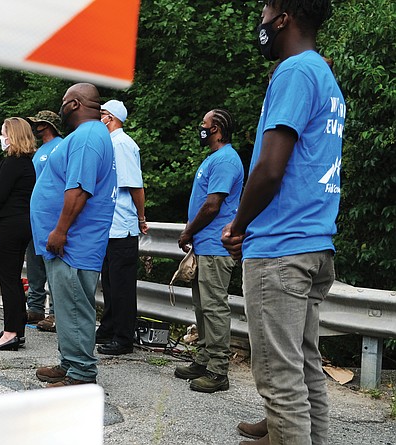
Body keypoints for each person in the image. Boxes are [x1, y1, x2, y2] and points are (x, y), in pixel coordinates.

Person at [221, 1, 345, 443]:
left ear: (284, 17)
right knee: (305, 368)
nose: (261, 19)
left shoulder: (295, 72)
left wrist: (238, 225)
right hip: (313, 242)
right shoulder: (324, 77)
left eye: (265, 9)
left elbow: (271, 168)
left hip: (281, 248)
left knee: (280, 380)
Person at [32, 83, 116, 387]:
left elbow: (79, 189)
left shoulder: (88, 136)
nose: (61, 107)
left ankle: (81, 373)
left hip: (73, 242)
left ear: (76, 104)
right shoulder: (86, 136)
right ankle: (69, 362)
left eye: (64, 102)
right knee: (67, 307)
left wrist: (60, 230)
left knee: (75, 307)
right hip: (69, 243)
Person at [172, 109, 243, 393]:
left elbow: (213, 204)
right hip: (205, 246)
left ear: (216, 129)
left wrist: (188, 230)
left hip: (216, 246)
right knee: (203, 307)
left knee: (214, 308)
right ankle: (203, 359)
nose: (200, 127)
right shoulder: (213, 159)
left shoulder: (226, 159)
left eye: (204, 124)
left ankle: (218, 370)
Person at [95, 100, 148, 356]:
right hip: (110, 226)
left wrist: (141, 217)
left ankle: (123, 338)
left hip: (123, 225)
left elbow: (135, 185)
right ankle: (108, 328)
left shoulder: (123, 145)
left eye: (103, 115)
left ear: (111, 118)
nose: (99, 119)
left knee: (122, 285)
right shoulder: (110, 144)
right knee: (110, 283)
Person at [0, 117, 36, 351]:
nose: (1, 137)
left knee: (9, 280)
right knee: (12, 278)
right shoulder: (24, 163)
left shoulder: (14, 163)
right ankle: (14, 329)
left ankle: (12, 331)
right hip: (20, 224)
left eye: (3, 132)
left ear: (11, 135)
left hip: (9, 225)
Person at [24, 110, 64, 332]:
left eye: (37, 124)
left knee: (52, 265)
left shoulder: (61, 146)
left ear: (47, 126)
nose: (34, 128)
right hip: (35, 217)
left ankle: (56, 313)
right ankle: (36, 307)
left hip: (52, 217)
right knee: (34, 264)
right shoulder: (38, 152)